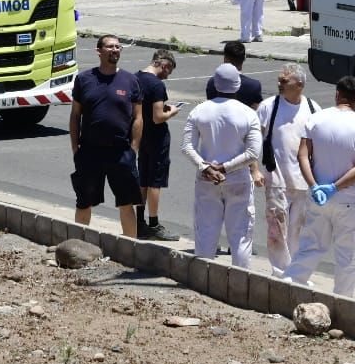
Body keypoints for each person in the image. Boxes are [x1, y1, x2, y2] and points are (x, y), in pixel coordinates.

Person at [281, 76, 355, 295]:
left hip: (317, 198)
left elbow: (303, 156)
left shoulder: (315, 120)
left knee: (309, 247)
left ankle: (288, 288)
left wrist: (314, 185)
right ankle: (343, 300)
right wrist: (334, 187)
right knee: (348, 255)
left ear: (337, 94)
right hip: (348, 200)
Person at [180, 63, 261, 268]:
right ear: (238, 85)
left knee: (205, 234)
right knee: (241, 238)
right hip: (238, 180)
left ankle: (203, 279)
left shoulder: (199, 110)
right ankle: (240, 281)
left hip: (207, 180)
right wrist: (225, 168)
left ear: (215, 84)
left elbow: (187, 147)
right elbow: (252, 153)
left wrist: (205, 167)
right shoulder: (248, 113)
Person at [68, 34, 144, 238]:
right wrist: (75, 148)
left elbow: (138, 117)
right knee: (84, 202)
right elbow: (75, 115)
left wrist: (133, 149)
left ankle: (130, 247)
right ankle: (79, 245)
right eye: (110, 47)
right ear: (99, 51)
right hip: (89, 152)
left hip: (121, 152)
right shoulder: (84, 79)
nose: (115, 50)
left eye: (118, 47)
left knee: (126, 203)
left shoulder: (130, 80)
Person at [258, 63, 320, 277]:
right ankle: (280, 273)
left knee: (298, 231)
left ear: (299, 84)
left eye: (285, 81)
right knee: (276, 230)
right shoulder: (269, 106)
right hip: (276, 180)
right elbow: (254, 139)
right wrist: (254, 169)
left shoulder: (313, 108)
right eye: (279, 80)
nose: (279, 83)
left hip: (304, 182)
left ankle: (296, 274)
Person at [135, 47, 182, 241]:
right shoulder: (156, 85)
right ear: (164, 65)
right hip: (157, 137)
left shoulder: (135, 78)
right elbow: (158, 117)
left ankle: (139, 222)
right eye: (168, 71)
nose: (167, 76)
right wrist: (172, 111)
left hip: (141, 134)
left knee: (143, 179)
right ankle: (153, 224)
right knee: (155, 181)